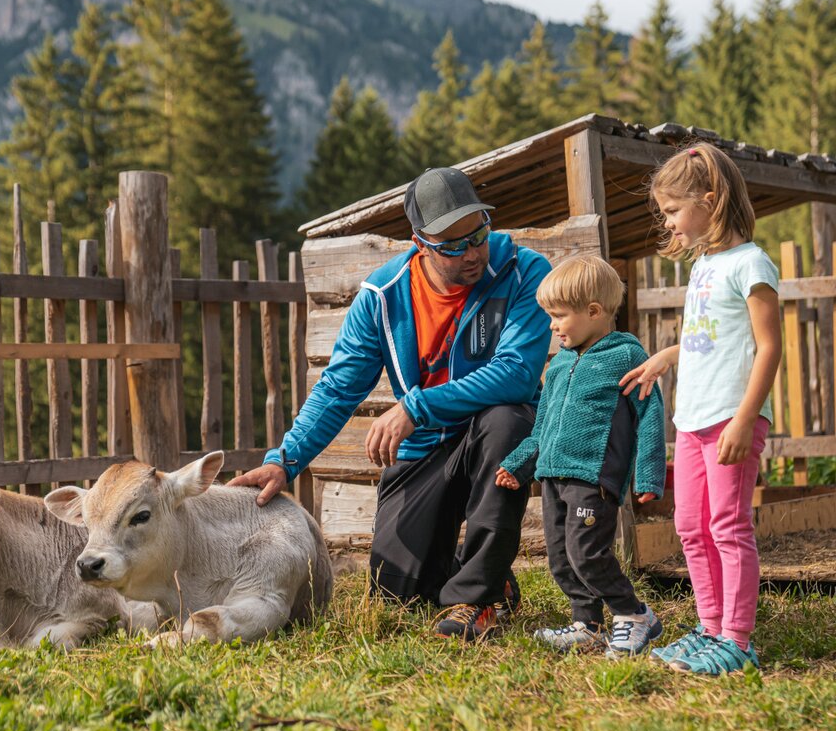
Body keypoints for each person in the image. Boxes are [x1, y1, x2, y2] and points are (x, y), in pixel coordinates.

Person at [229, 166, 552, 640]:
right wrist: (285, 461)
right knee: (395, 593)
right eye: (453, 246)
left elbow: (518, 374)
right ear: (421, 243)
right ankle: (485, 575)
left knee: (507, 421)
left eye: (479, 234)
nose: (473, 253)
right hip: (425, 451)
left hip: (493, 434)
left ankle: (476, 599)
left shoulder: (524, 272)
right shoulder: (382, 297)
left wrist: (415, 407)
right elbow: (339, 388)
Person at [621, 144, 782, 675]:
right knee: (690, 525)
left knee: (727, 525)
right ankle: (708, 627)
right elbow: (706, 335)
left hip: (730, 419)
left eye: (672, 210)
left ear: (709, 201)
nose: (668, 222)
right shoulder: (706, 265)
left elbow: (769, 346)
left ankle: (736, 641)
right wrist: (669, 355)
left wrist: (744, 417)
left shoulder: (751, 263)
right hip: (690, 420)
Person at [495, 255, 666, 657]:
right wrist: (520, 464)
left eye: (558, 316)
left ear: (593, 311)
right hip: (553, 476)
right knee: (560, 557)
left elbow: (651, 412)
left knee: (586, 553)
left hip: (593, 476)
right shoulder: (558, 368)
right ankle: (587, 625)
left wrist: (649, 475)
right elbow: (543, 426)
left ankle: (634, 615)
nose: (552, 326)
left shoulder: (625, 357)